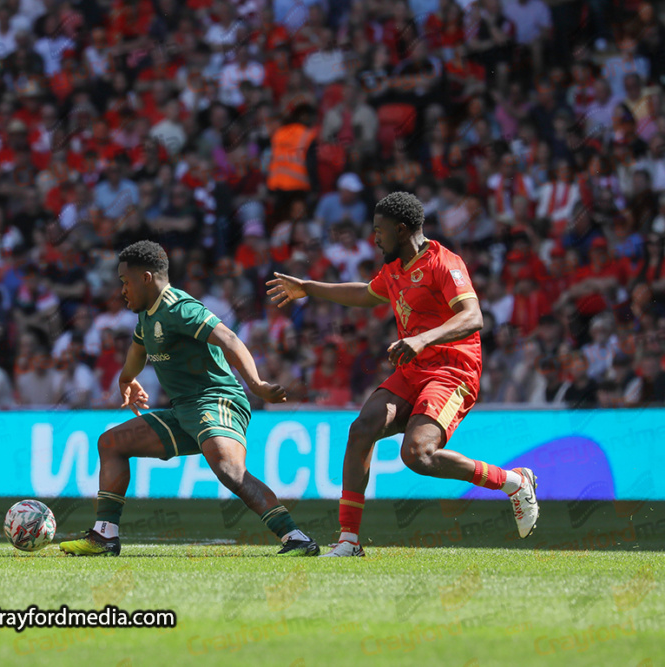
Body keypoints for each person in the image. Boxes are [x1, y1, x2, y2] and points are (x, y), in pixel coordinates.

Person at [267, 192, 539, 557]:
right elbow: (365, 294)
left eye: (379, 231)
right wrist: (309, 288)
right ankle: (348, 540)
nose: (374, 238)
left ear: (401, 228)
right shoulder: (395, 268)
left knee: (418, 454)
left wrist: (423, 338)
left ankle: (513, 481)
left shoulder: (444, 262)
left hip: (452, 369)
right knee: (363, 427)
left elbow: (474, 317)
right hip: (414, 369)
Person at [60, 241, 319, 557]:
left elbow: (229, 338)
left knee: (229, 471)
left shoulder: (179, 307)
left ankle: (296, 538)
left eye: (125, 281)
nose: (122, 290)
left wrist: (257, 384)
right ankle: (105, 537)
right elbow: (137, 351)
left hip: (217, 400)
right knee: (111, 443)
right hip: (184, 410)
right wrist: (126, 379)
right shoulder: (146, 316)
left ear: (145, 278)